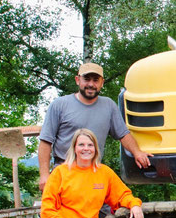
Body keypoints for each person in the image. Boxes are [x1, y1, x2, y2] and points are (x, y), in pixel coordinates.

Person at [38, 62, 152, 191]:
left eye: (95, 80)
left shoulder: (109, 106)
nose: (91, 84)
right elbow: (45, 141)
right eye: (86, 79)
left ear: (102, 82)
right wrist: (44, 175)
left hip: (94, 172)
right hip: (64, 173)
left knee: (108, 208)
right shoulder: (59, 105)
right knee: (65, 210)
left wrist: (137, 152)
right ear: (77, 80)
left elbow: (123, 134)